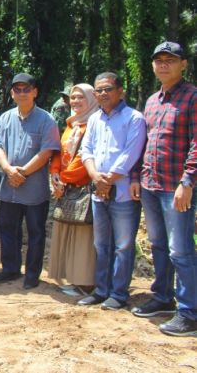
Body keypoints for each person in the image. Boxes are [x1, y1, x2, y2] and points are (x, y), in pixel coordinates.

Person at [130, 42, 197, 336]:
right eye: (158, 60)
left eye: (170, 60)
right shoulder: (152, 101)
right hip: (150, 184)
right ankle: (162, 297)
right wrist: (136, 176)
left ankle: (190, 312)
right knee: (158, 245)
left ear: (183, 64)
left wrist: (188, 181)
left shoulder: (193, 97)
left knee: (180, 249)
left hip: (176, 187)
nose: (163, 65)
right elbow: (144, 143)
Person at [77, 73, 146, 310]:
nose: (103, 94)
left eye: (108, 89)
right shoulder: (95, 119)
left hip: (124, 192)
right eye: (99, 90)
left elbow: (132, 152)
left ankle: (118, 294)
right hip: (99, 191)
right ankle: (101, 290)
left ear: (121, 91)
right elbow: (86, 150)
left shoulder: (134, 118)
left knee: (123, 245)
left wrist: (109, 179)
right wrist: (96, 176)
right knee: (101, 244)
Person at [0, 73, 60, 289]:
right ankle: (10, 269)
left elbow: (47, 151)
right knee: (6, 228)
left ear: (35, 92)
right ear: (12, 93)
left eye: (26, 89)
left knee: (36, 232)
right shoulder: (5, 118)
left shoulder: (47, 120)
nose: (22, 93)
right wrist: (8, 170)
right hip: (9, 187)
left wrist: (22, 173)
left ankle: (32, 274)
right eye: (17, 89)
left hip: (34, 189)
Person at [47, 84, 99, 296]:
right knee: (68, 231)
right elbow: (60, 153)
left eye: (81, 98)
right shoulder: (71, 125)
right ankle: (72, 279)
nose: (76, 102)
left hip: (83, 190)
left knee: (83, 237)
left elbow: (84, 159)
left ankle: (85, 282)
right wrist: (55, 174)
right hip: (66, 187)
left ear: (92, 100)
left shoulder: (94, 125)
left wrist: (64, 180)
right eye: (73, 98)